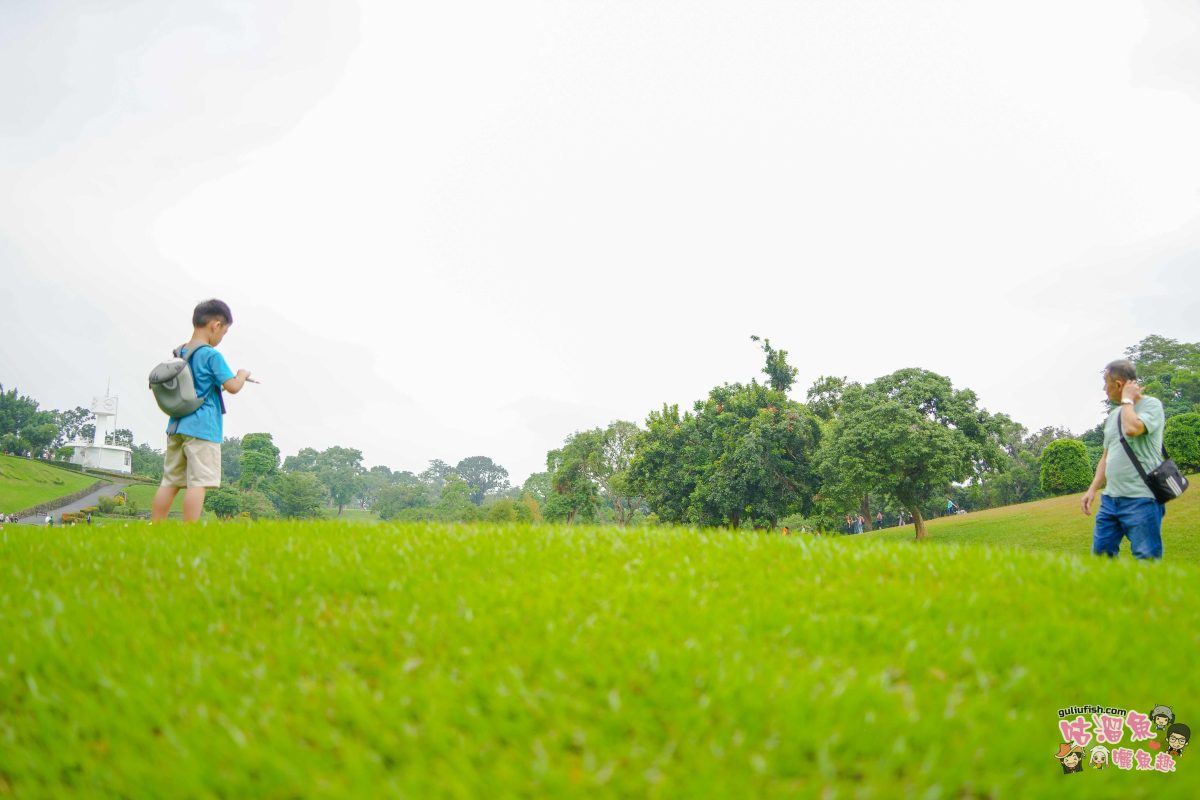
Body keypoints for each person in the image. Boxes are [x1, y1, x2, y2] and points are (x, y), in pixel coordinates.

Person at [151, 299, 252, 523]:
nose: (221, 338)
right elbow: (233, 387)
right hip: (202, 428)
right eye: (224, 332)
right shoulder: (211, 355)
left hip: (177, 424)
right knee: (198, 483)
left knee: (170, 481)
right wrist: (242, 374)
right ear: (215, 325)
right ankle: (190, 531)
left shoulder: (180, 352)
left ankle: (155, 527)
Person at [1081, 359, 1167, 559]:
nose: (1104, 388)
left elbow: (1133, 428)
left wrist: (1127, 401)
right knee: (1101, 557)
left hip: (1142, 499)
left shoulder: (1151, 405)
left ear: (1118, 384)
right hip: (1110, 500)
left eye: (1106, 382)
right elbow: (1106, 457)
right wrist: (1092, 489)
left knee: (1147, 560)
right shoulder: (1113, 416)